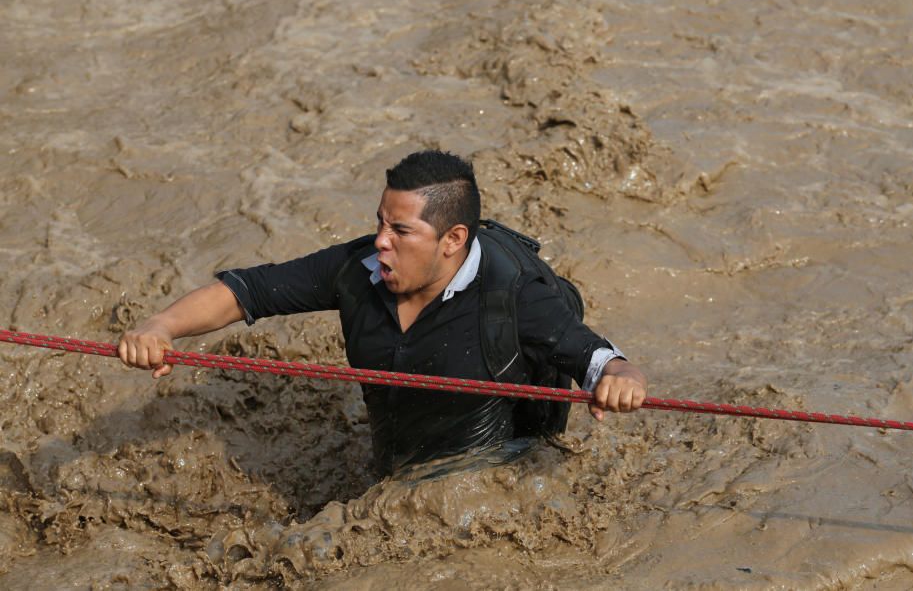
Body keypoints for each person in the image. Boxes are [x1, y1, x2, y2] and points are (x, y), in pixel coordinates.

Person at [119, 150, 647, 476]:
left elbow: (596, 357)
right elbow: (247, 292)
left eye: (401, 231)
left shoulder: (516, 295)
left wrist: (620, 376)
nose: (380, 242)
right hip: (395, 464)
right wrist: (160, 326)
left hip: (488, 475)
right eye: (380, 223)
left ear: (452, 240)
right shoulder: (359, 267)